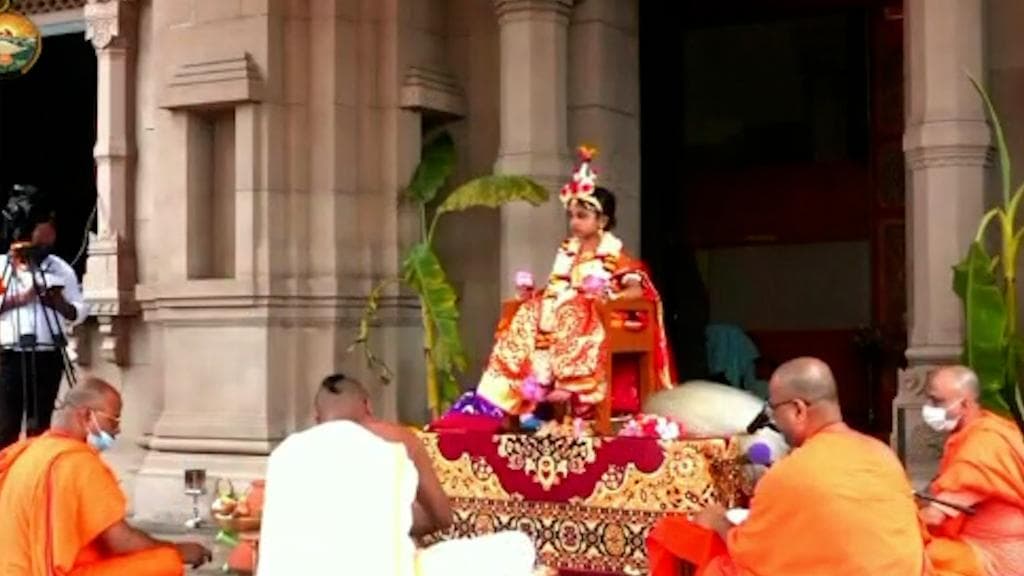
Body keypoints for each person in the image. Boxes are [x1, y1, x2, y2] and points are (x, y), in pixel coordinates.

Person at [449, 147, 674, 421]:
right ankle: (498, 395)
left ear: (602, 221)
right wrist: (531, 294)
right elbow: (557, 289)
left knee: (575, 311)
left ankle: (570, 388)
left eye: (582, 216)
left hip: (597, 315)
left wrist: (605, 295)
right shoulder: (568, 253)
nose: (574, 223)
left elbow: (637, 290)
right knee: (527, 312)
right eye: (572, 216)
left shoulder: (617, 257)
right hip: (563, 311)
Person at [647, 357, 927, 576]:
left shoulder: (790, 473)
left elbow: (752, 554)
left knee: (718, 568)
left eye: (774, 410)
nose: (773, 421)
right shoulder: (883, 454)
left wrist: (717, 521)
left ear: (797, 410)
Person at [258, 373, 537, 575]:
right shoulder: (396, 440)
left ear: (317, 417)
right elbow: (442, 517)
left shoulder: (286, 453)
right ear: (367, 405)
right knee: (515, 547)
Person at [0, 377, 211, 574]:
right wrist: (179, 550)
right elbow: (121, 541)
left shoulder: (30, 451)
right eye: (113, 420)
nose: (117, 430)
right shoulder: (77, 462)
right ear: (86, 416)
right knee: (164, 561)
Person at [0, 185, 85, 450]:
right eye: (45, 224)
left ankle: (35, 481)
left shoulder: (60, 268)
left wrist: (57, 302)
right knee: (5, 427)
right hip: (9, 356)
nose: (51, 232)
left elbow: (79, 312)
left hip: (47, 355)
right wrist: (20, 299)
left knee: (40, 429)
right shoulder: (2, 267)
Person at [920, 365, 1024, 576]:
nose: (929, 408)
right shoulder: (990, 426)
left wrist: (893, 517)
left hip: (995, 555)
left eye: (938, 401)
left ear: (965, 404)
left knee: (909, 555)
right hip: (992, 546)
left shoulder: (983, 445)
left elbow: (935, 516)